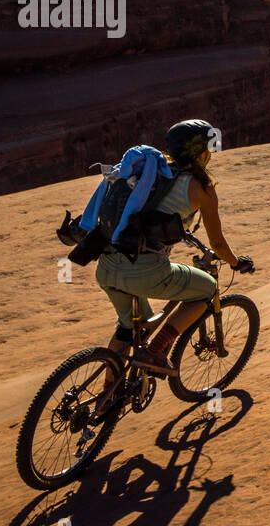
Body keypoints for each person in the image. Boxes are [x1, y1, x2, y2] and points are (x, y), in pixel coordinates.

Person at [94, 119, 254, 376]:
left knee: (130, 328)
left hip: (107, 267)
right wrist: (236, 262)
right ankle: (154, 351)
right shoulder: (202, 188)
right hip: (144, 273)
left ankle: (106, 399)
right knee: (207, 290)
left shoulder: (151, 171)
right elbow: (217, 244)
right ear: (202, 154)